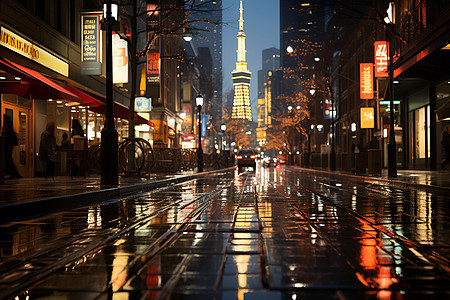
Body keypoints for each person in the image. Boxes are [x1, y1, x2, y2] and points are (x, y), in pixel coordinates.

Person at [1, 114, 22, 179]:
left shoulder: (7, 126)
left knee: (9, 160)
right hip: (9, 145)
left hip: (7, 145)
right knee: (9, 160)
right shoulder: (10, 125)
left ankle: (15, 174)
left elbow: (6, 136)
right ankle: (14, 174)